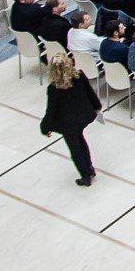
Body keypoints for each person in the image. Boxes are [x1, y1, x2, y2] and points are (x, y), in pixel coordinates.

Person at [40, 51, 103, 186]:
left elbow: (51, 111)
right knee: (81, 140)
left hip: (68, 124)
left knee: (75, 148)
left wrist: (44, 127)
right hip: (83, 116)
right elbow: (90, 93)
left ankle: (85, 175)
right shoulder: (79, 76)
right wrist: (97, 106)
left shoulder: (54, 88)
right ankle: (90, 167)